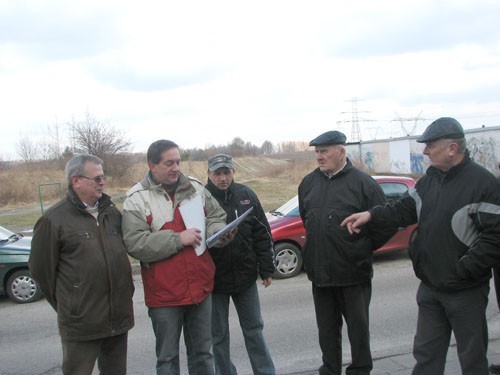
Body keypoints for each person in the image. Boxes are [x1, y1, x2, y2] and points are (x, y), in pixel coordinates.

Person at [342, 117, 500, 375]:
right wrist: (370, 215)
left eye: (430, 145)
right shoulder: (430, 180)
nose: (425, 151)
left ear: (452, 148)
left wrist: (465, 269)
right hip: (430, 288)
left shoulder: (484, 184)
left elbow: (495, 239)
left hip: (465, 291)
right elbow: (403, 209)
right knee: (425, 358)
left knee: (472, 361)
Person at [121, 139, 229, 375]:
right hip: (164, 296)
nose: (176, 168)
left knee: (203, 354)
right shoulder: (137, 198)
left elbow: (216, 216)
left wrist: (217, 233)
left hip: (200, 289)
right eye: (169, 163)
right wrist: (178, 239)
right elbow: (135, 243)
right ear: (152, 165)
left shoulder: (196, 188)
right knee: (167, 359)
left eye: (178, 162)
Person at [298, 130, 395, 375]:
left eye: (324, 151)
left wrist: (361, 248)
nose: (319, 157)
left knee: (358, 331)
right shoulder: (308, 183)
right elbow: (307, 219)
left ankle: (360, 370)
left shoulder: (363, 183)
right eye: (317, 152)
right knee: (327, 332)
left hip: (353, 273)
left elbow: (386, 223)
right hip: (320, 274)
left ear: (341, 151)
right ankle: (330, 370)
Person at [29, 154, 135, 375]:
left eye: (103, 177)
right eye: (96, 178)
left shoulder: (111, 212)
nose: (103, 183)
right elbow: (41, 272)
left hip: (117, 318)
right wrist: (72, 305)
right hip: (81, 323)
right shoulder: (53, 220)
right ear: (76, 181)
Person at [205, 153, 276, 375]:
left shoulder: (246, 195)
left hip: (245, 277)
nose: (223, 178)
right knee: (218, 335)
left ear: (233, 172)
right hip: (215, 280)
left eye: (227, 172)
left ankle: (265, 371)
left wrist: (266, 268)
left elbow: (262, 232)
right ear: (208, 174)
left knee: (254, 329)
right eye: (218, 173)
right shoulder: (201, 198)